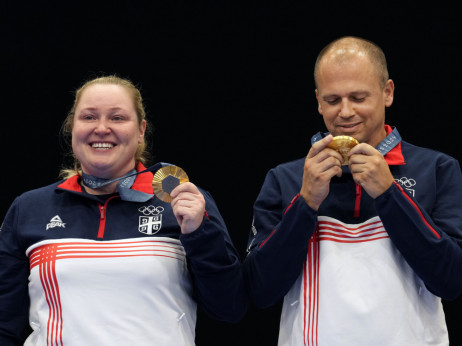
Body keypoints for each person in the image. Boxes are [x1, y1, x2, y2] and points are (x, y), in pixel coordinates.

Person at [243, 36, 462, 345]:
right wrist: (305, 203)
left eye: (358, 97)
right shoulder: (286, 178)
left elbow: (451, 282)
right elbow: (260, 291)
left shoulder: (438, 170)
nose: (345, 112)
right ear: (318, 100)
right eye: (333, 100)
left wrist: (389, 194)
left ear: (387, 93)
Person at [0, 75, 247, 345]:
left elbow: (229, 309)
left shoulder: (183, 202)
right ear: (72, 127)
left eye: (117, 118)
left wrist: (199, 234)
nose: (102, 128)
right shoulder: (29, 208)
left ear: (141, 130)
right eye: (89, 117)